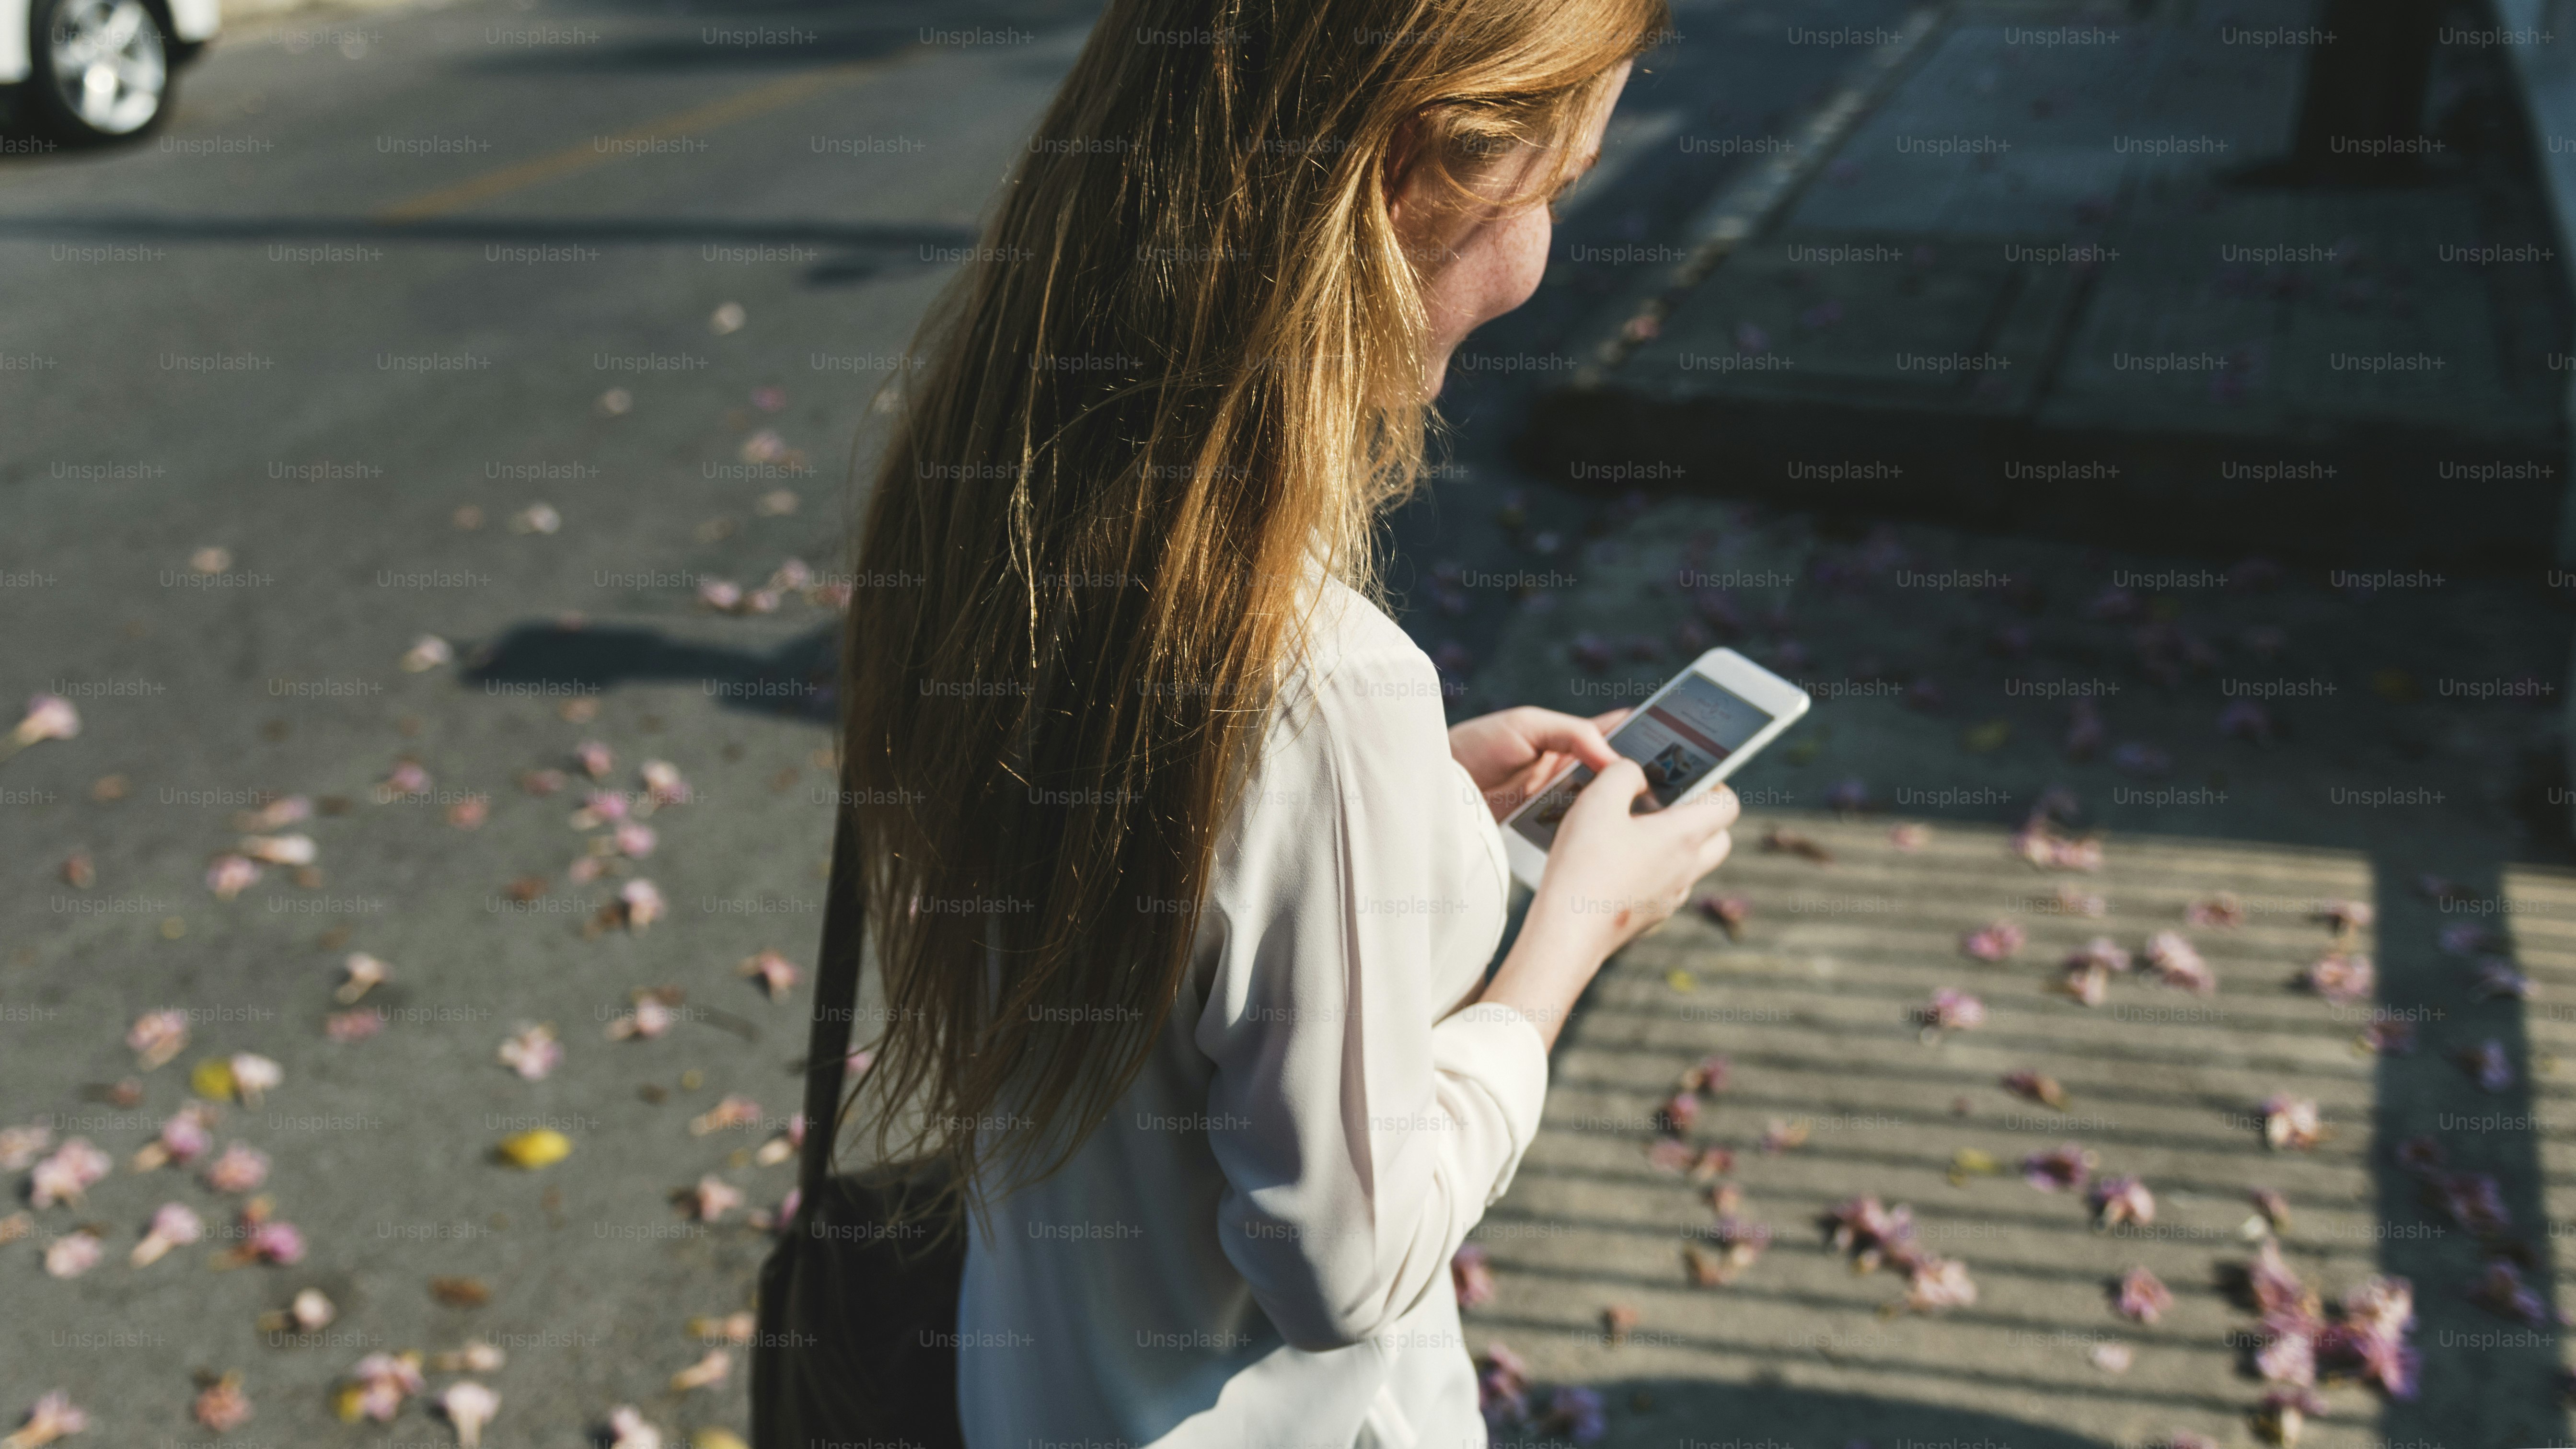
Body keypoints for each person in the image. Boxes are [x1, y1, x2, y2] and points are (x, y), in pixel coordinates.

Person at [837, 2, 1734, 1443]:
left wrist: (1420, 814)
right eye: (1554, 186)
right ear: (1412, 174)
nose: (1549, 242)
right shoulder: (1328, 683)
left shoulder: (985, 502)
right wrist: (1573, 936)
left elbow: (1155, 902)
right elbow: (1341, 1261)